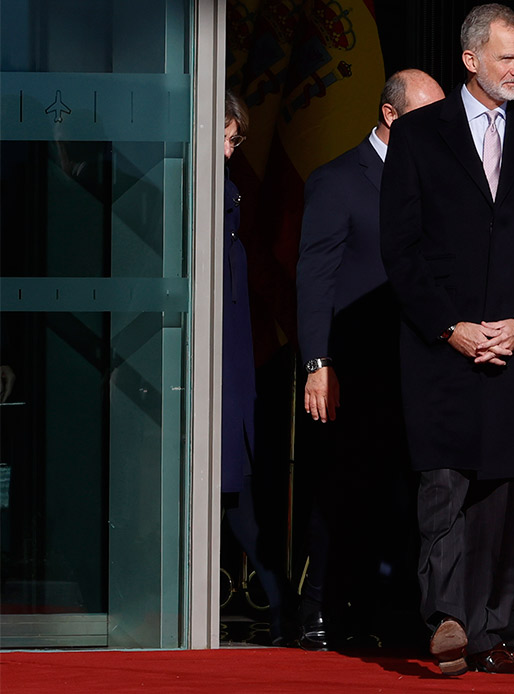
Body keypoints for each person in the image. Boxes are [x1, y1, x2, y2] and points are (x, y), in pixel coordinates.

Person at [379, 3, 514, 676]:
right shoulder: (417, 136)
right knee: (443, 485)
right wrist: (450, 326)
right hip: (441, 347)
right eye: (507, 58)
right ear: (470, 60)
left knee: (503, 496)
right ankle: (447, 621)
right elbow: (399, 251)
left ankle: (490, 633)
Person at [295, 69, 444, 650]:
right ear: (390, 115)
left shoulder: (435, 183)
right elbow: (315, 278)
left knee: (408, 496)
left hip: (419, 368)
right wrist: (317, 362)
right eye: (426, 116)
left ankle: (395, 615)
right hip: (352, 367)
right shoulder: (337, 180)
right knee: (343, 490)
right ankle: (322, 614)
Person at [221, 89, 289, 645]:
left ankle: (281, 602)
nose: (229, 148)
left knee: (236, 486)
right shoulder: (199, 193)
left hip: (232, 363)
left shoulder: (229, 195)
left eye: (237, 139)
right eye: (226, 135)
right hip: (202, 364)